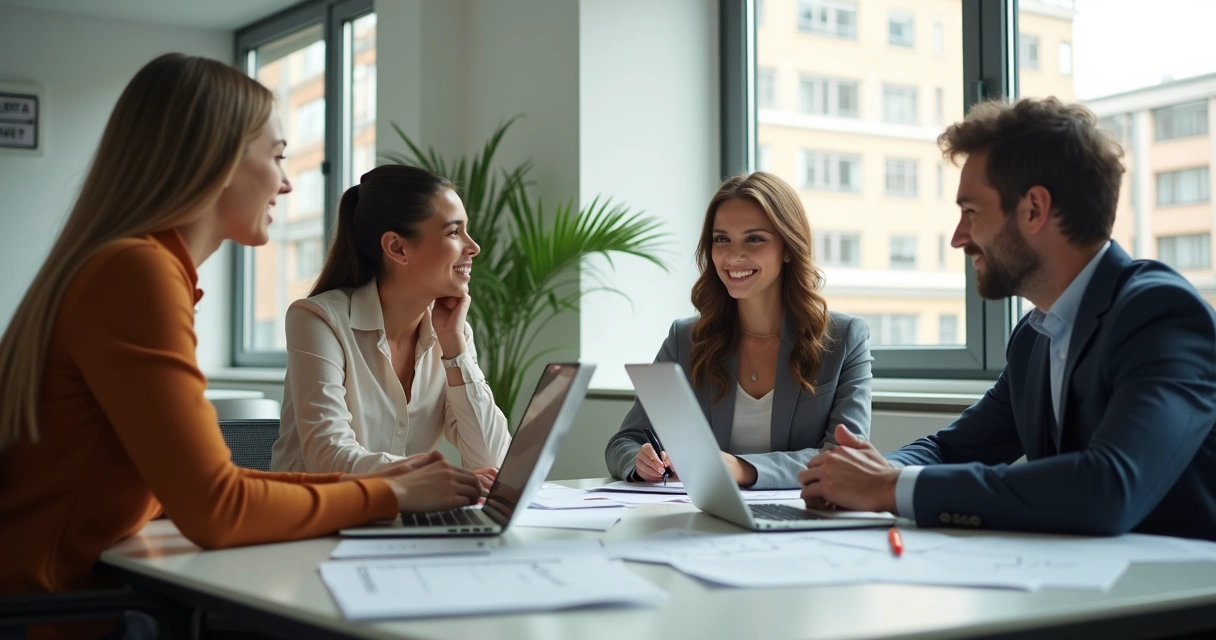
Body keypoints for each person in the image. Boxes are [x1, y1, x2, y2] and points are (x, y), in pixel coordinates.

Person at [0, 53, 481, 639]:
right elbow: (217, 508)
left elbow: (207, 489)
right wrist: (387, 493)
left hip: (84, 600)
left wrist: (388, 487)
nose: (286, 181)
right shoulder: (137, 274)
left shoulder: (137, 268)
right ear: (216, 159)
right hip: (58, 617)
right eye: (277, 156)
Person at [799, 97, 1216, 541]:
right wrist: (874, 471)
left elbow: (1109, 487)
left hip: (1180, 599)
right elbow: (950, 448)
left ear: (1034, 209)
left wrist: (886, 487)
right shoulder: (1035, 335)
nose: (960, 238)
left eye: (971, 212)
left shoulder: (1161, 315)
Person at [605, 172, 873, 490]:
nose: (733, 256)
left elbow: (844, 458)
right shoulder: (685, 340)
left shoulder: (844, 338)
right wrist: (640, 462)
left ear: (788, 248)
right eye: (722, 239)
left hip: (801, 519)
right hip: (703, 518)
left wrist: (741, 468)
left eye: (754, 239)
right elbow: (625, 441)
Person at [270, 164, 510, 494]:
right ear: (397, 248)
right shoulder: (318, 320)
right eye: (454, 232)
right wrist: (434, 476)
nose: (473, 247)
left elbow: (493, 459)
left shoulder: (452, 335)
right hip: (315, 525)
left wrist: (455, 346)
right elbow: (328, 458)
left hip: (400, 524)